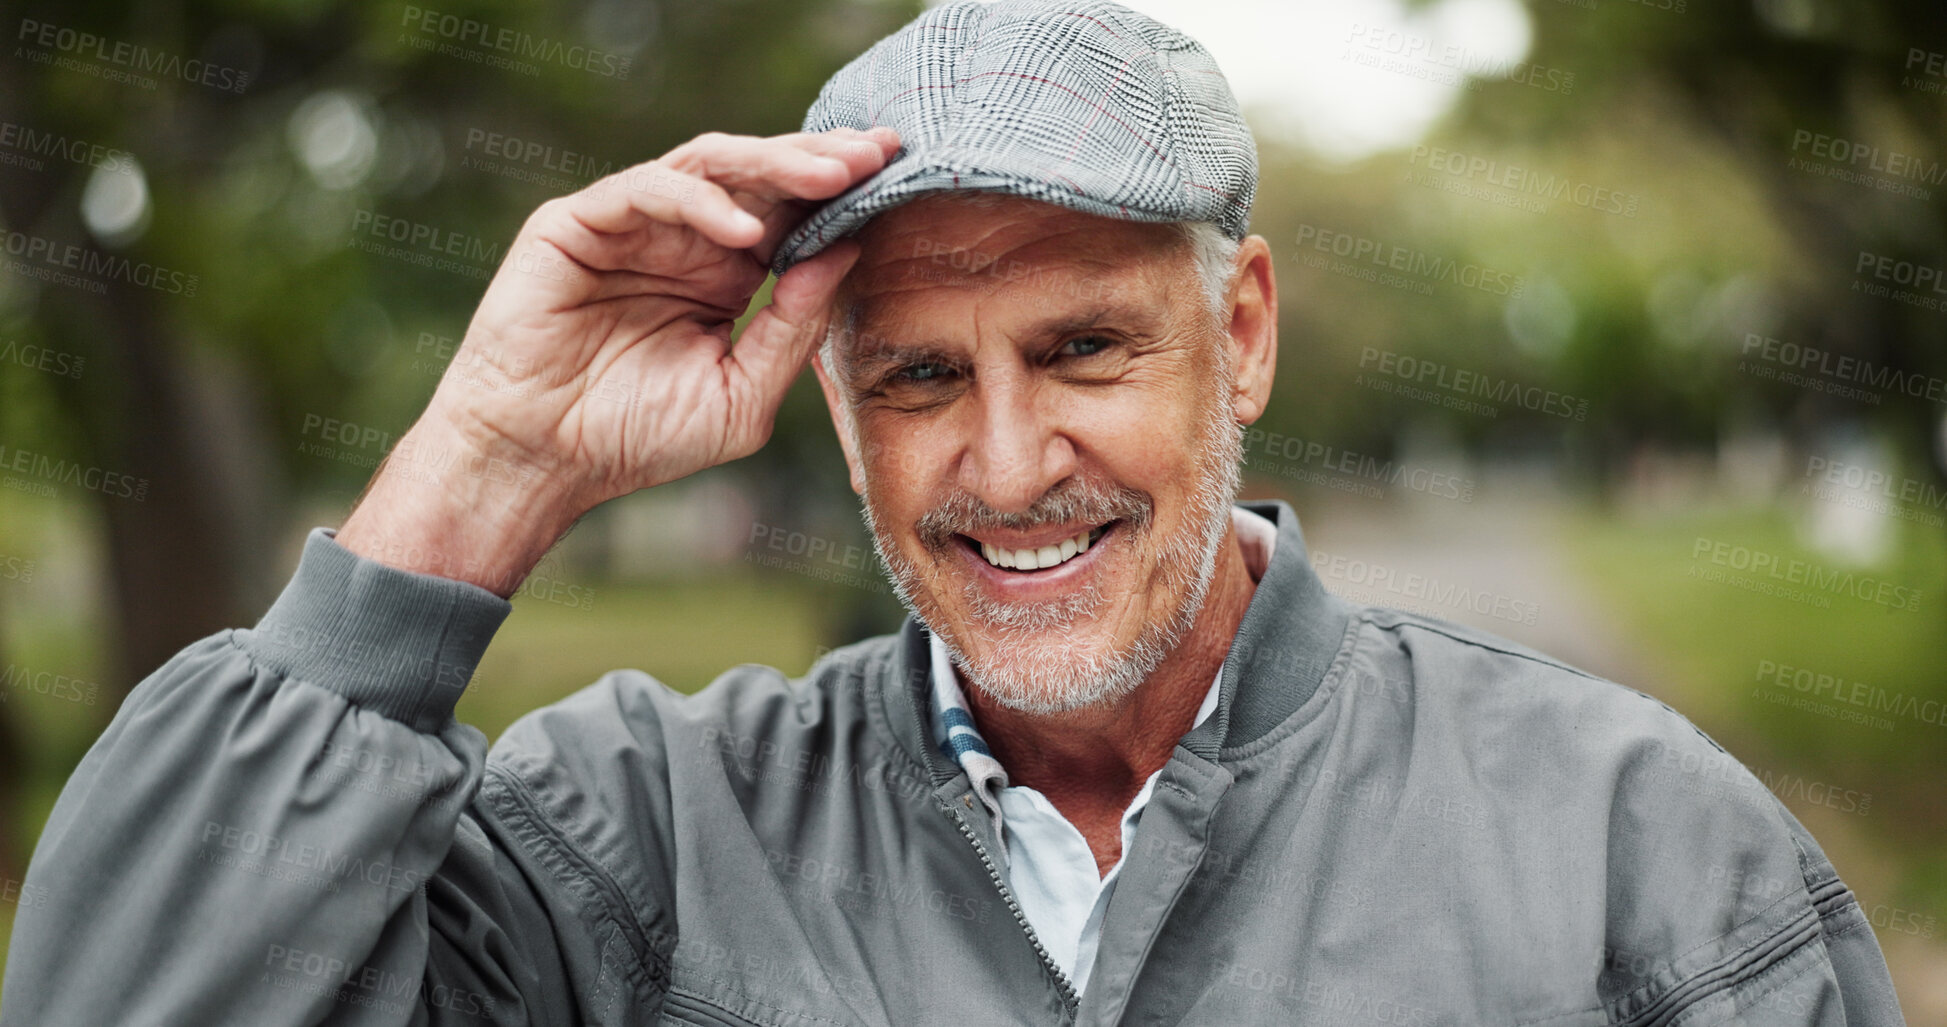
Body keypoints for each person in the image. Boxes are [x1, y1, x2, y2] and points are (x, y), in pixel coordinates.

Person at [0, 1, 1905, 1024]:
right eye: (920, 375)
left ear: (1238, 337)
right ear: (831, 402)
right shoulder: (626, 851)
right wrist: (490, 461)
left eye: (1083, 349)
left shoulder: (1634, 855)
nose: (1006, 469)